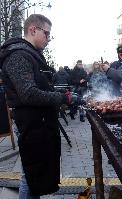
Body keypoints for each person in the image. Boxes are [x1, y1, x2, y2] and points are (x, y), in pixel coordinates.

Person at [0, 14, 74, 198]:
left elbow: (39, 85)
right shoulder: (18, 55)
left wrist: (61, 94)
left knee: (35, 176)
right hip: (32, 125)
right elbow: (28, 94)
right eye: (47, 34)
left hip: (39, 124)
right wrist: (61, 99)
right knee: (31, 178)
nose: (48, 39)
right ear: (33, 29)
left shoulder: (30, 54)